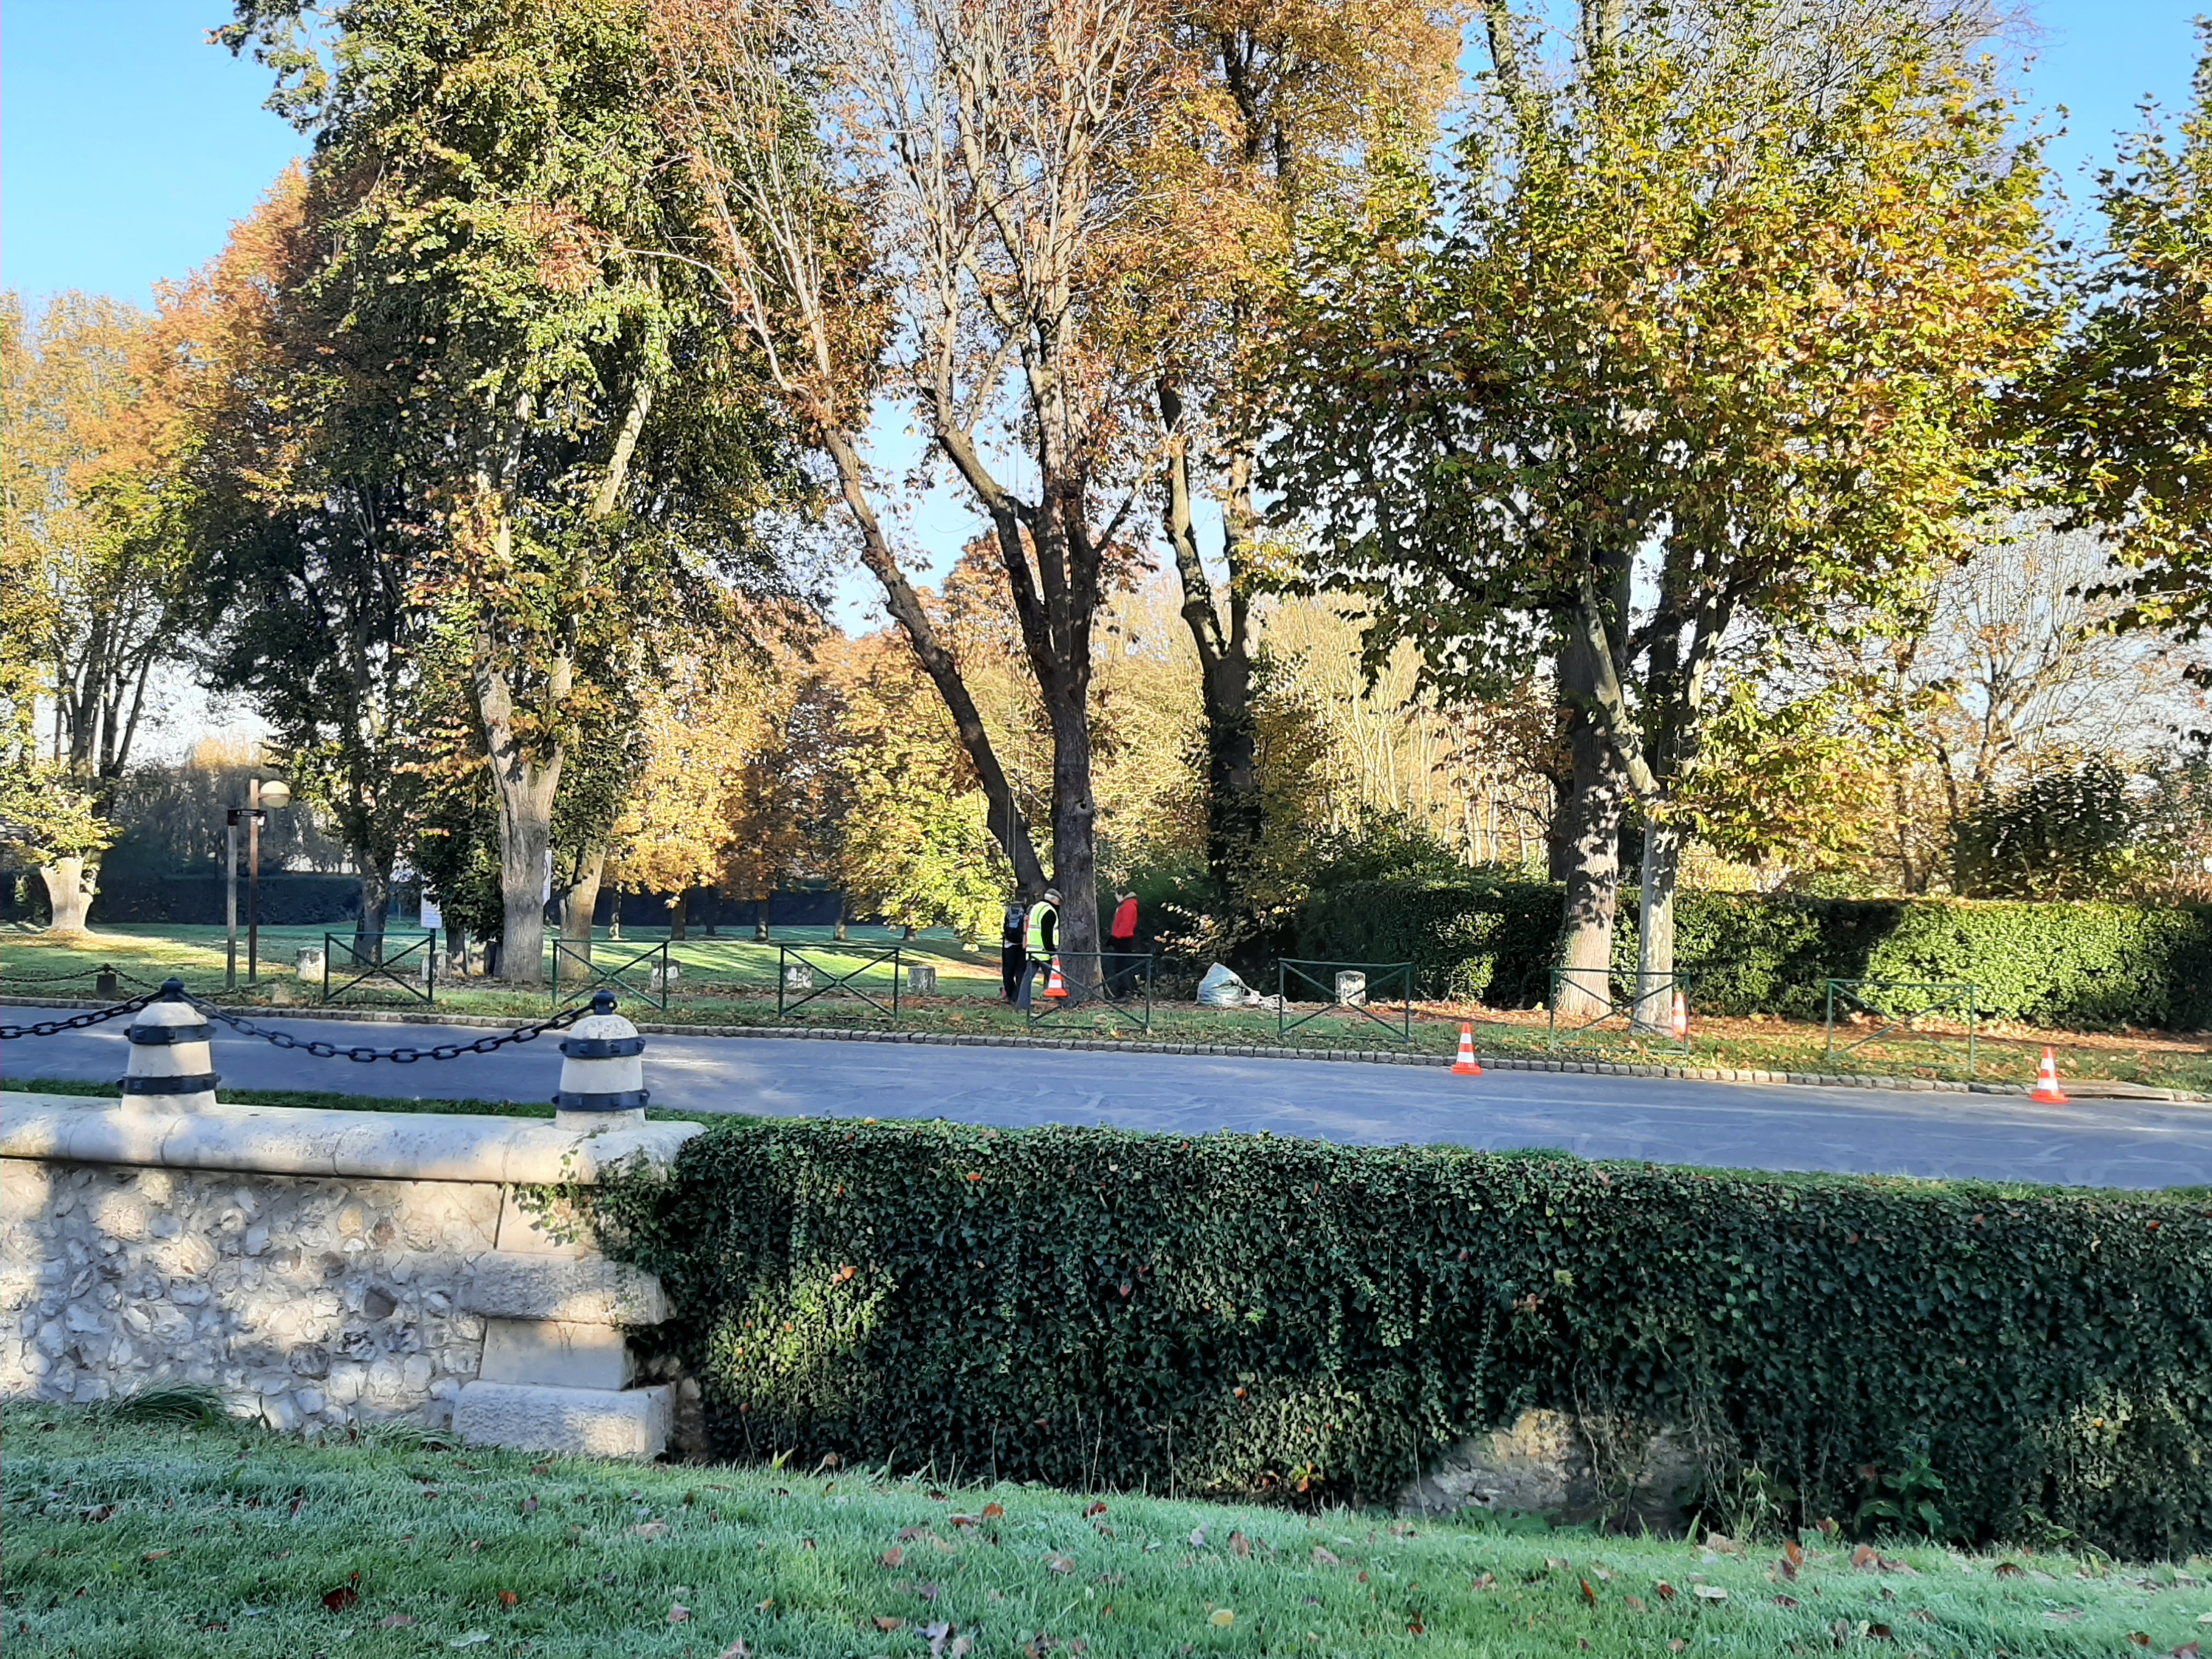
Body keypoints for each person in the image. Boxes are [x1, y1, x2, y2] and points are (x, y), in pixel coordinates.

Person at [1017, 887, 1059, 1010]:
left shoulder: (1036, 908)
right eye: (1058, 901)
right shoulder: (1049, 911)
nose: (1059, 904)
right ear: (1054, 899)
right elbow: (1047, 934)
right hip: (1043, 951)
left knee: (1028, 978)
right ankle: (1066, 1001)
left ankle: (1022, 1005)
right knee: (1054, 977)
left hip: (1032, 950)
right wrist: (1052, 952)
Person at [1108, 889, 1139, 996]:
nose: (1116, 898)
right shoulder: (1127, 905)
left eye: (1117, 895)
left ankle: (1125, 991)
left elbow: (1126, 924)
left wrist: (1116, 937)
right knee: (1121, 966)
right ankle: (1126, 990)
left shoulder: (1128, 906)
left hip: (1124, 939)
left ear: (1121, 895)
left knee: (1121, 967)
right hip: (1123, 938)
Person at [1000, 893, 1028, 1003]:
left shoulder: (1009, 910)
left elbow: (1005, 927)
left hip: (1009, 943)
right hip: (1023, 944)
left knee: (1008, 970)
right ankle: (1019, 996)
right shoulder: (1026, 910)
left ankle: (1010, 994)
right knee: (1021, 971)